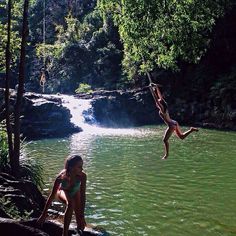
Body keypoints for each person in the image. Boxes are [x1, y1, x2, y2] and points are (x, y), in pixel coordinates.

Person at [37, 155, 87, 236]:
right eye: (79, 167)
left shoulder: (82, 176)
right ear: (71, 167)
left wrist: (82, 215)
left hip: (75, 192)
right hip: (62, 191)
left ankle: (78, 231)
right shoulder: (61, 177)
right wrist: (43, 215)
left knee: (80, 222)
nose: (82, 169)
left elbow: (83, 195)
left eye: (82, 166)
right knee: (71, 204)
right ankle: (65, 233)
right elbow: (52, 195)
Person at [150, 83, 199, 159]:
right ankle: (191, 130)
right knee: (181, 137)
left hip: (171, 125)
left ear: (160, 104)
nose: (157, 103)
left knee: (165, 140)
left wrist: (152, 91)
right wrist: (156, 88)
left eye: (158, 103)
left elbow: (156, 98)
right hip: (174, 122)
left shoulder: (162, 110)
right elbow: (160, 97)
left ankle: (166, 155)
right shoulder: (164, 107)